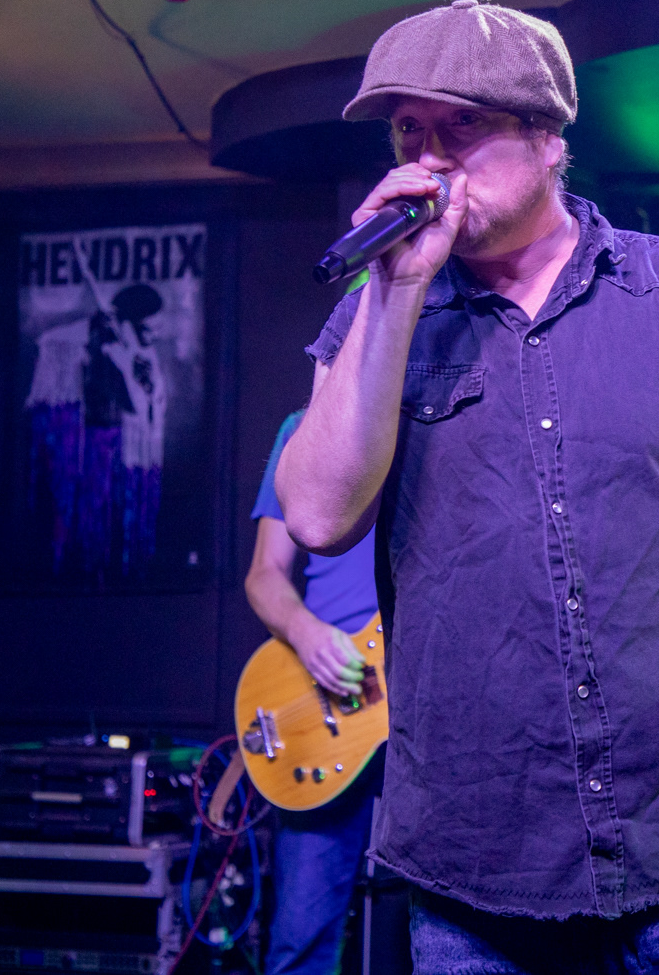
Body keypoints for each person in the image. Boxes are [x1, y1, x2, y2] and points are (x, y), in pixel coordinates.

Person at [274, 0, 659, 973]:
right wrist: (396, 291)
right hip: (478, 868)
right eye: (408, 130)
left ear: (548, 139)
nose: (429, 158)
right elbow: (318, 515)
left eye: (462, 125)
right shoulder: (376, 324)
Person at [245, 410, 381, 975]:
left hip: (436, 699)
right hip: (328, 705)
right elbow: (264, 573)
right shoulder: (304, 426)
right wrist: (305, 634)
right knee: (301, 941)